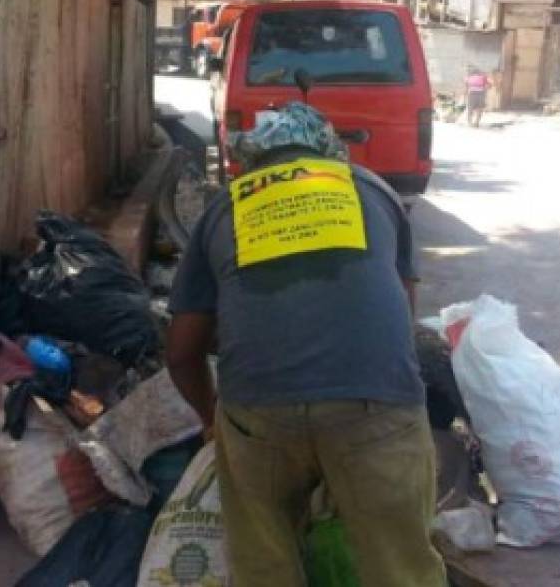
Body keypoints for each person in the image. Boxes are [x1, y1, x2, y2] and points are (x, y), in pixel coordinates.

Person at [166, 103, 446, 587]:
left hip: (258, 409)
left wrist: (213, 421)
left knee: (265, 566)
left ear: (253, 161)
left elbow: (181, 352)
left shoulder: (227, 205)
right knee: (402, 570)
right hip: (376, 400)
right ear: (329, 151)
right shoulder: (373, 190)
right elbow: (401, 316)